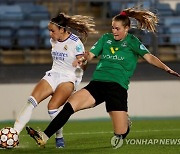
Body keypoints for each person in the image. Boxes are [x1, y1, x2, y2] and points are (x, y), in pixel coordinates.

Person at [26, 7, 180, 149]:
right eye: (112, 27)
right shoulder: (105, 39)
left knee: (119, 134)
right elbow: (90, 56)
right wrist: (83, 59)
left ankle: (125, 123)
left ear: (127, 29)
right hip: (97, 84)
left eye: (117, 28)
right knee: (69, 105)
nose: (114, 31)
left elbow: (150, 58)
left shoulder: (133, 42)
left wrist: (166, 68)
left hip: (117, 87)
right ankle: (44, 136)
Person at [12, 13, 97, 148]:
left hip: (69, 78)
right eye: (49, 31)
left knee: (52, 107)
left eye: (53, 31)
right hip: (53, 74)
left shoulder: (75, 43)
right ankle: (13, 135)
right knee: (30, 102)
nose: (50, 34)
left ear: (63, 30)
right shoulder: (54, 40)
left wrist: (82, 62)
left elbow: (83, 65)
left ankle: (59, 137)